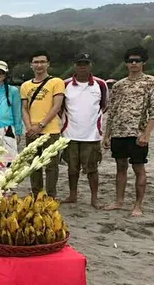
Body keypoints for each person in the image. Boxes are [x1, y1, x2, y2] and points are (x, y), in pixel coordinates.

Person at [102, 46, 154, 217]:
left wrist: (146, 134)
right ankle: (119, 201)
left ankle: (138, 205)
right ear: (126, 63)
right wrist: (107, 134)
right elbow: (112, 111)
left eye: (137, 60)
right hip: (118, 132)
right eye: (130, 60)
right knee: (120, 167)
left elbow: (153, 111)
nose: (133, 63)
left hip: (137, 133)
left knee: (139, 168)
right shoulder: (118, 85)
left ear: (143, 62)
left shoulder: (150, 82)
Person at [61, 53, 108, 209]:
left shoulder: (100, 84)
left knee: (92, 169)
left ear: (90, 65)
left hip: (92, 135)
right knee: (72, 168)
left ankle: (94, 198)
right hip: (70, 134)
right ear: (74, 65)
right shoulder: (65, 84)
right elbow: (61, 106)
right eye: (79, 63)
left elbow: (104, 105)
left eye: (85, 63)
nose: (82, 66)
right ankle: (72, 195)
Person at [20, 51, 65, 197]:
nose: (39, 65)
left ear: (48, 64)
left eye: (42, 62)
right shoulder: (25, 85)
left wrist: (41, 125)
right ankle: (36, 194)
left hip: (50, 130)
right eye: (36, 62)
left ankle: (51, 195)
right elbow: (24, 109)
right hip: (31, 131)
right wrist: (29, 127)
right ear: (31, 65)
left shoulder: (56, 82)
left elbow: (56, 106)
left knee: (51, 166)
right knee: (34, 165)